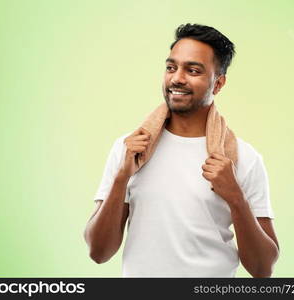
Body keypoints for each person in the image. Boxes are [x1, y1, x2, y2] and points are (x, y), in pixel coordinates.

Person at [84, 23, 279, 277]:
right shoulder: (130, 149)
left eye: (193, 70)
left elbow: (263, 269)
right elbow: (98, 252)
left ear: (218, 84)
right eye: (171, 67)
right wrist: (122, 177)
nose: (177, 78)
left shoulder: (243, 158)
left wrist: (236, 197)